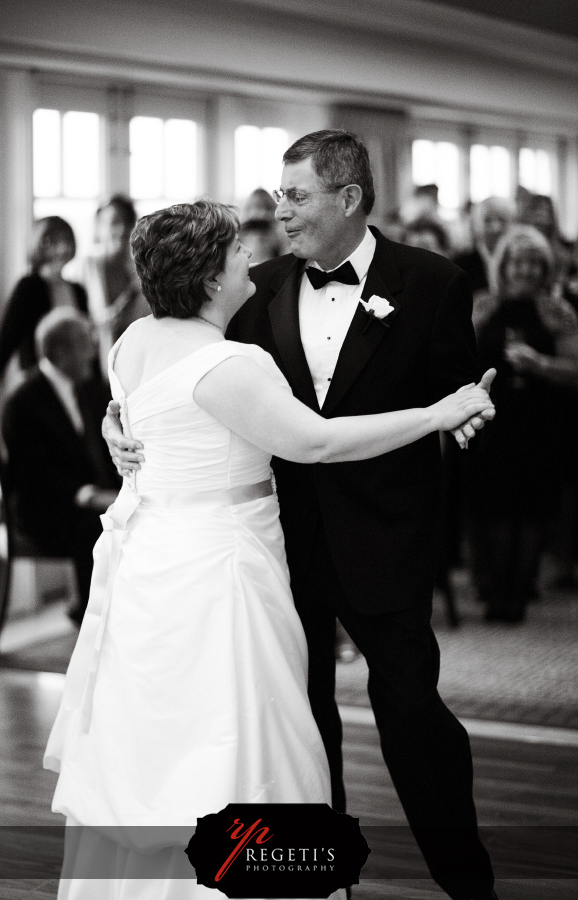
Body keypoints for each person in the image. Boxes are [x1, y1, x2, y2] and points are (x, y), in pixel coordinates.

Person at [51, 198, 494, 900]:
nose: (250, 257)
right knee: (242, 731)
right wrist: (439, 413)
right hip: (225, 571)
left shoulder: (131, 340)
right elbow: (316, 443)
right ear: (207, 277)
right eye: (233, 252)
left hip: (158, 565)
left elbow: (140, 405)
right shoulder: (234, 361)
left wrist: (116, 423)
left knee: (165, 739)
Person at [468, 225, 578, 623]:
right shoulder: (483, 306)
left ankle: (519, 592)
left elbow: (575, 370)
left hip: (540, 422)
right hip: (490, 423)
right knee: (492, 508)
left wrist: (540, 364)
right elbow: (457, 360)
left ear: (545, 268)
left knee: (531, 509)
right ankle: (496, 591)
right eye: (519, 261)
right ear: (504, 265)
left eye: (535, 263)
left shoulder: (557, 311)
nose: (526, 270)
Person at [2, 309, 120, 623]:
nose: (93, 353)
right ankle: (92, 617)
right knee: (95, 524)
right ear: (60, 353)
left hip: (90, 499)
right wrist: (89, 495)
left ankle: (124, 613)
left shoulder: (89, 389)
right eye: (86, 345)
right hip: (45, 508)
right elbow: (33, 474)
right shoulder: (22, 403)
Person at [0, 216, 88, 408]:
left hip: (75, 383)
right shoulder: (29, 287)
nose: (62, 247)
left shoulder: (77, 290)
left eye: (66, 240)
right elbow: (7, 338)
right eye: (53, 241)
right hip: (38, 381)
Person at [81, 194, 149, 377]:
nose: (121, 229)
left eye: (128, 222)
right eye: (113, 222)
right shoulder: (85, 267)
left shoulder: (141, 270)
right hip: (90, 366)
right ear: (99, 227)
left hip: (132, 367)